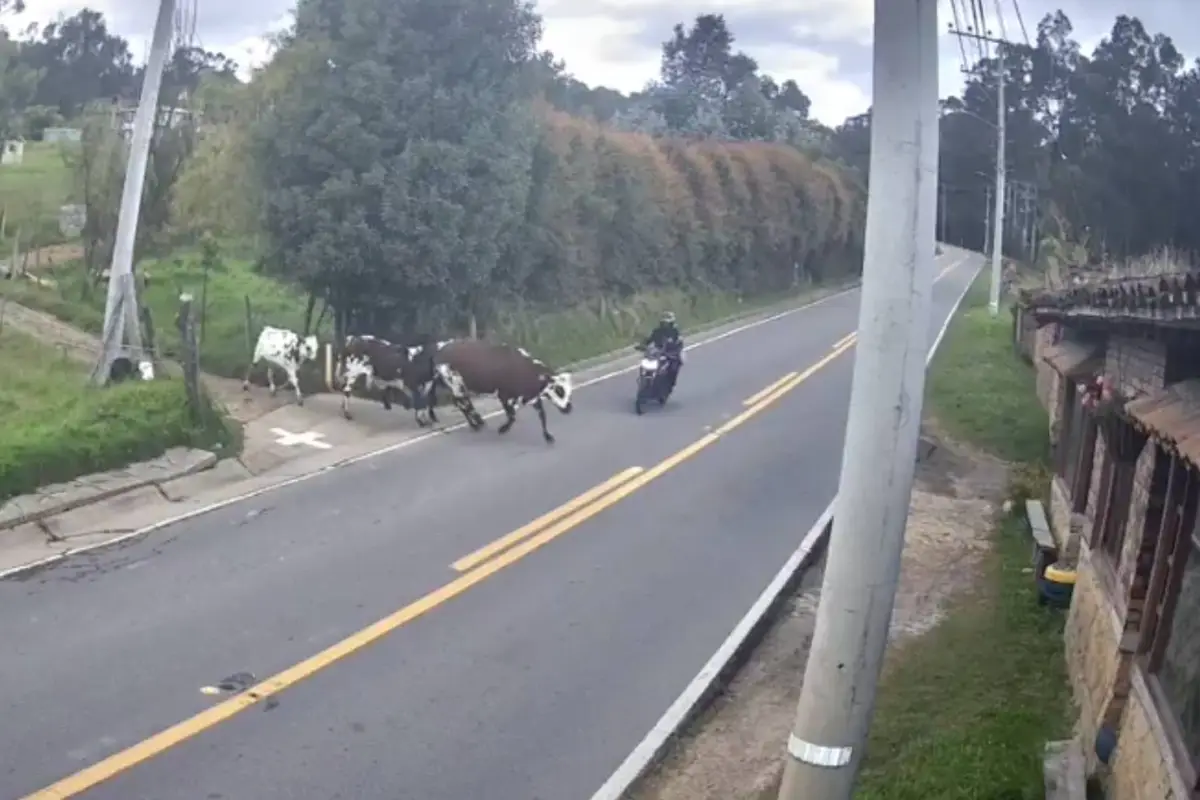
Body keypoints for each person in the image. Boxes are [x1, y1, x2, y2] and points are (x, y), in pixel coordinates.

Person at [639, 311, 684, 392]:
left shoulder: (675, 332)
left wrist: (676, 350)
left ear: (671, 323)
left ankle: (670, 384)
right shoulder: (657, 331)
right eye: (664, 323)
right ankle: (644, 381)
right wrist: (643, 345)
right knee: (646, 363)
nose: (665, 325)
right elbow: (650, 340)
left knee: (674, 367)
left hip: (670, 354)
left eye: (667, 323)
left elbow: (679, 343)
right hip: (657, 353)